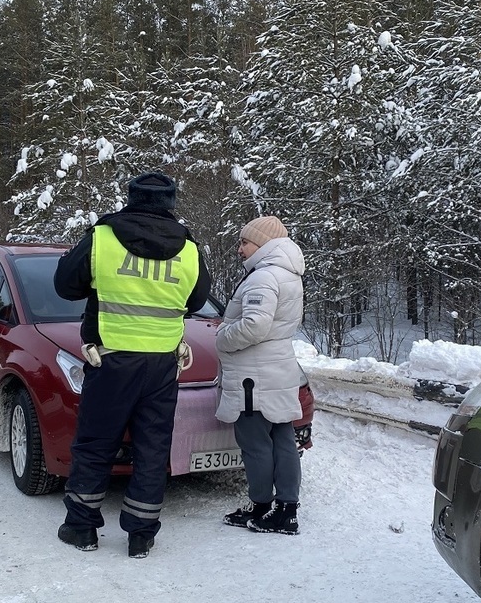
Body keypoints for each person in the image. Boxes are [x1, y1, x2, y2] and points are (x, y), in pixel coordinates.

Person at [53, 172, 212, 558]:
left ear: (131, 198)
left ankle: (82, 527)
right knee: (153, 447)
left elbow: (65, 286)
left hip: (110, 359)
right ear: (171, 203)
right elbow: (196, 301)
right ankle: (141, 534)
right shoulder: (189, 248)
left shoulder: (103, 238)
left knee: (96, 442)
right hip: (162, 364)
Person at [215, 215, 305, 534]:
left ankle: (262, 505)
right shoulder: (289, 274)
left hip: (254, 375)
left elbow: (254, 325)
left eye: (245, 241)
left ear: (264, 243)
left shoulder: (263, 277)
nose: (240, 248)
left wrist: (222, 337)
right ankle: (286, 510)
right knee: (283, 438)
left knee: (254, 442)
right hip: (278, 368)